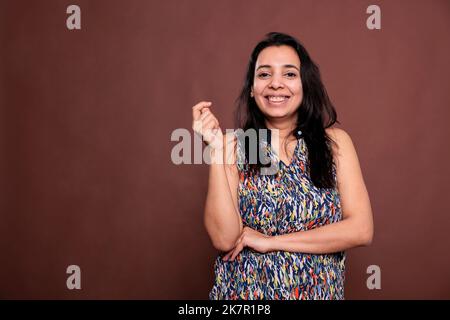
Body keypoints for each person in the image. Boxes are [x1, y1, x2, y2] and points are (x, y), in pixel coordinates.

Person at [191, 32, 373, 300]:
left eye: (289, 74)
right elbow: (224, 239)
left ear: (305, 85)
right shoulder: (236, 145)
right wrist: (217, 152)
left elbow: (361, 229)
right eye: (264, 74)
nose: (276, 84)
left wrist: (271, 242)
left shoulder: (335, 143)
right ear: (252, 89)